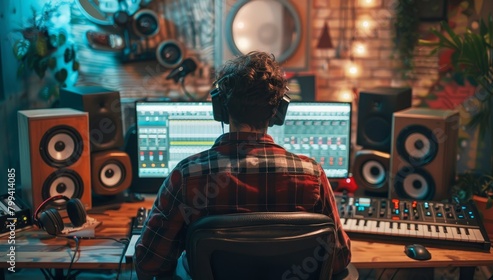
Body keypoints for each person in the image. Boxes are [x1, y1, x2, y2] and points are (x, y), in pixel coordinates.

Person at [134, 51, 351, 279]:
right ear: (278, 112)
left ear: (220, 109)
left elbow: (149, 263)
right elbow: (339, 259)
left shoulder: (186, 176)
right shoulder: (312, 175)